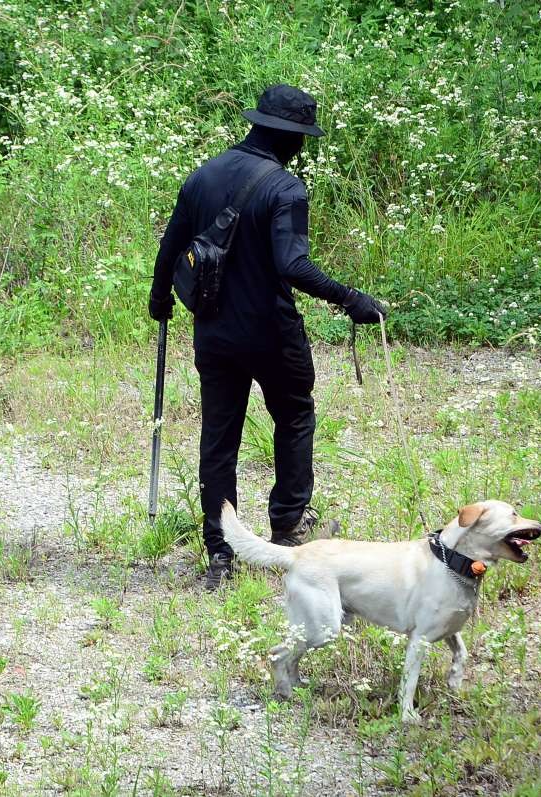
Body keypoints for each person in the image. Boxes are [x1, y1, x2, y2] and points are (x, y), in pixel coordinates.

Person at [147, 84, 386, 589]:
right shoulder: (286, 189)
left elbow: (172, 244)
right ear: (288, 136)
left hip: (214, 332)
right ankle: (288, 526)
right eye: (302, 136)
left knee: (219, 437)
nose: (303, 146)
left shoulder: (203, 175)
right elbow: (292, 265)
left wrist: (160, 296)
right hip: (271, 333)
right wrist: (351, 299)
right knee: (295, 417)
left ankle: (220, 550)